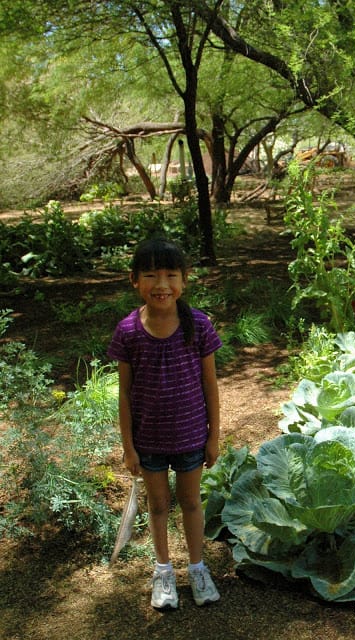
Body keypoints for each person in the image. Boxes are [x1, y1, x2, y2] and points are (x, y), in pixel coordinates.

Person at [107, 237, 222, 611]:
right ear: (135, 281)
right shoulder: (128, 331)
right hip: (149, 442)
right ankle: (163, 572)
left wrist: (213, 438)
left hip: (190, 437)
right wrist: (129, 447)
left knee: (190, 503)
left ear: (184, 281)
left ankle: (198, 568)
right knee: (158, 507)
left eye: (171, 274)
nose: (161, 284)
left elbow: (210, 385)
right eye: (151, 275)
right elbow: (124, 394)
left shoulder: (199, 326)